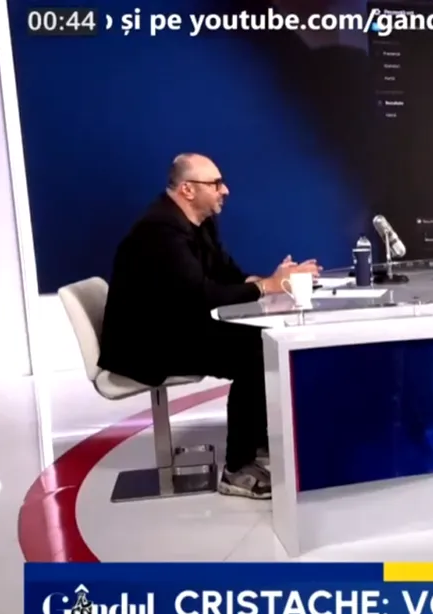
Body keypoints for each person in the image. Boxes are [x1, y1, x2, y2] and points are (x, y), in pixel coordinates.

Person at [98, 153, 321, 499]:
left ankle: (259, 441)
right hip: (146, 345)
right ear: (187, 190)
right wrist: (267, 287)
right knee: (252, 350)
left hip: (173, 325)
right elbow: (200, 296)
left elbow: (227, 276)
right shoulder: (159, 231)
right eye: (215, 184)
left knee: (263, 338)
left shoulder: (200, 224)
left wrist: (276, 280)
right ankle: (238, 469)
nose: (225, 190)